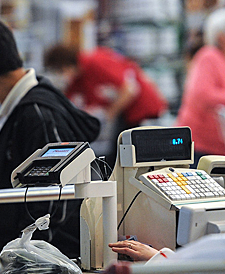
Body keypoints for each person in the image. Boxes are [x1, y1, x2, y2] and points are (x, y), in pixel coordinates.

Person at [0, 20, 101, 259]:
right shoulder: (15, 108)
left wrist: (27, 257)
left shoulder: (37, 115)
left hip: (48, 264)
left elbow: (56, 196)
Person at [44, 44, 167, 167]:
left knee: (122, 159)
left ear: (66, 66)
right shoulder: (79, 78)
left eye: (61, 71)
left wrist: (108, 115)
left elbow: (129, 90)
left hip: (141, 111)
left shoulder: (95, 62)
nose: (63, 77)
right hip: (127, 114)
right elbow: (69, 101)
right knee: (115, 156)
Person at [175, 8, 225, 166]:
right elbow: (202, 94)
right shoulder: (208, 56)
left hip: (216, 147)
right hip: (201, 147)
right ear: (221, 36)